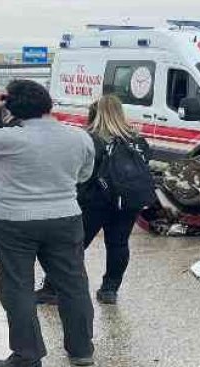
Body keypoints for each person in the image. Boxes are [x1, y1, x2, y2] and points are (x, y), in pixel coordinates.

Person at [0, 80, 96, 367]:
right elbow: (83, 175)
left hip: (15, 222)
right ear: (48, 104)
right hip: (65, 218)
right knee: (73, 285)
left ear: (10, 109)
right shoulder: (79, 137)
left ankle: (27, 355)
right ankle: (81, 350)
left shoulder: (9, 138)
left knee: (17, 288)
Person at [36, 95, 153, 305]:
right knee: (118, 244)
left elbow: (78, 170)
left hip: (95, 199)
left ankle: (53, 288)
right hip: (127, 200)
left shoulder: (89, 139)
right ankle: (109, 290)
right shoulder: (137, 140)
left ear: (95, 113)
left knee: (74, 245)